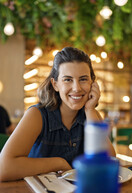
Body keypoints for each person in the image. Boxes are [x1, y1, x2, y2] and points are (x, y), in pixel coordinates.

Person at [0, 47, 116, 182]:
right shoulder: (37, 115)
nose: (77, 88)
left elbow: (110, 162)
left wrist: (90, 110)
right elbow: (3, 168)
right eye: (68, 80)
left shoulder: (91, 115)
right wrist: (58, 163)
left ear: (92, 83)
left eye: (83, 79)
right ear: (55, 84)